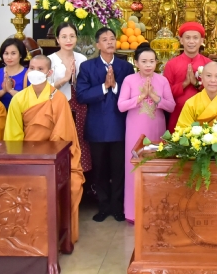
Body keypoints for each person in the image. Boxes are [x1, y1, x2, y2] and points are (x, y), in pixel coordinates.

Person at [4, 54, 84, 243]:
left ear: (49, 73)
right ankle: (24, 236)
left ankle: (58, 236)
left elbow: (63, 135)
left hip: (53, 159)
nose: (35, 72)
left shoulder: (58, 99)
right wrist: (24, 161)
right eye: (32, 68)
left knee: (71, 186)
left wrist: (47, 159)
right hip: (25, 159)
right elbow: (13, 136)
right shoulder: (19, 99)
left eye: (40, 69)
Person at [76, 27, 134, 222]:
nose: (109, 42)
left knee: (119, 169)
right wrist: (104, 86)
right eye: (104, 39)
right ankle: (103, 205)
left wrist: (116, 86)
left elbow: (131, 95)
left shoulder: (125, 67)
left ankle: (117, 206)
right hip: (97, 126)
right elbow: (82, 95)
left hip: (119, 125)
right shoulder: (87, 67)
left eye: (112, 38)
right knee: (99, 170)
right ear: (97, 44)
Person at [117, 43, 176, 223]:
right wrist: (141, 97)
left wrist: (155, 97)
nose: (148, 65)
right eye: (144, 61)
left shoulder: (162, 80)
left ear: (156, 62)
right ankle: (133, 213)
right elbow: (121, 106)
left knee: (156, 167)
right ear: (136, 62)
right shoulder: (129, 80)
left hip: (157, 129)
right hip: (135, 130)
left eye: (152, 61)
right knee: (134, 167)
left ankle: (156, 210)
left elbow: (171, 106)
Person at [50, 22, 92, 172]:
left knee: (80, 139)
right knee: (62, 138)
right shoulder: (50, 60)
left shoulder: (82, 58)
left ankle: (81, 175)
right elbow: (46, 89)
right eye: (64, 37)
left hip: (79, 105)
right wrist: (64, 79)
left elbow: (87, 84)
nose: (68, 40)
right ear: (57, 39)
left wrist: (76, 81)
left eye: (72, 36)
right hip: (59, 105)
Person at [163, 21, 211, 132]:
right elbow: (165, 93)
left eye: (195, 38)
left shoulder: (208, 64)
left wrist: (196, 83)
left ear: (202, 41)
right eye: (187, 38)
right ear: (181, 40)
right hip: (178, 115)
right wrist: (184, 83)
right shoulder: (171, 64)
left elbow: (215, 90)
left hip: (204, 114)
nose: (191, 41)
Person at [0, 38, 29, 110]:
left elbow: (30, 101)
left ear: (20, 55)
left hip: (20, 117)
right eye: (6, 53)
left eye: (13, 53)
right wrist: (2, 91)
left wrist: (11, 91)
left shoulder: (28, 74)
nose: (9, 57)